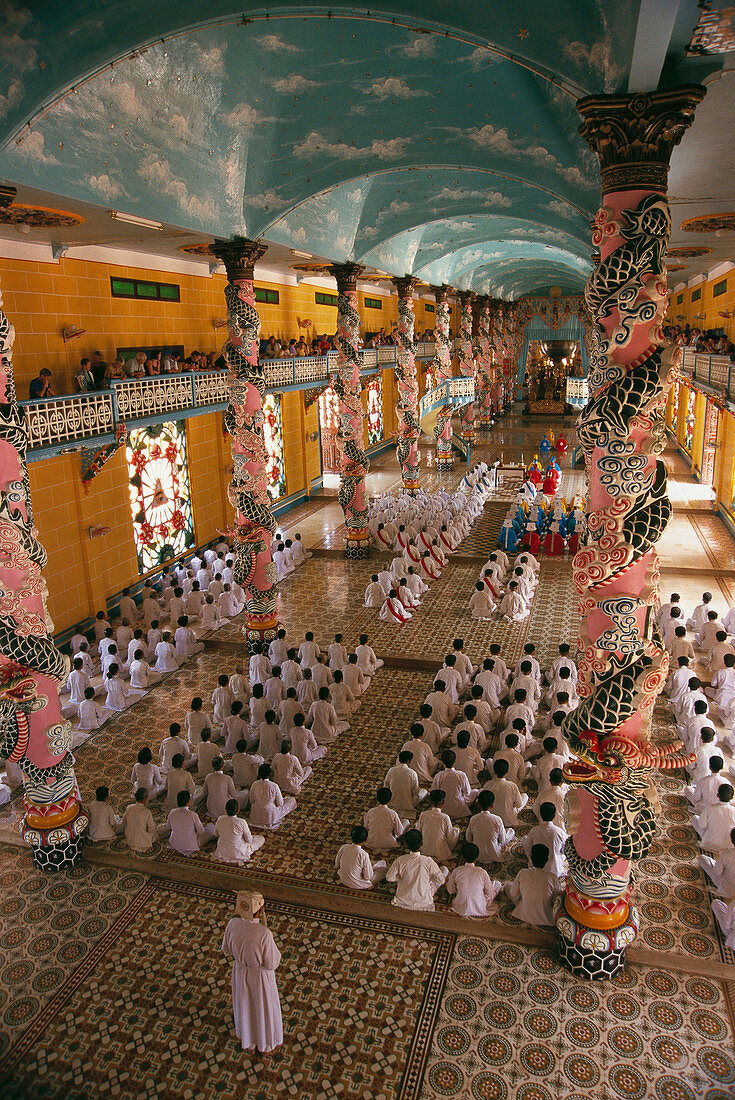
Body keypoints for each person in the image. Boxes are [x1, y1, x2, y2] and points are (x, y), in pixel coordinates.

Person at [222, 891, 283, 1055]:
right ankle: (265, 1044)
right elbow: (272, 962)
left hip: (241, 971)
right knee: (263, 1007)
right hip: (260, 977)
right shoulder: (264, 934)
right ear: (260, 910)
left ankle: (248, 1040)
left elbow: (226, 949)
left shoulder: (232, 925)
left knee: (245, 1004)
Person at [386, 828, 449, 911]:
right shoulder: (428, 861)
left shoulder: (400, 860)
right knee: (444, 869)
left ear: (407, 845)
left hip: (402, 900)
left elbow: (389, 877)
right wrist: (429, 880)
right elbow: (441, 880)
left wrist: (400, 878)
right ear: (422, 844)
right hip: (423, 902)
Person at [505, 843, 560, 925]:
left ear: (531, 858)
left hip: (524, 913)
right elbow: (556, 899)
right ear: (547, 859)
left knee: (507, 886)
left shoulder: (523, 872)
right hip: (546, 916)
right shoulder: (553, 878)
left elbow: (513, 893)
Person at [446, 843, 503, 918]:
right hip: (480, 906)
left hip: (460, 906)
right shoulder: (482, 872)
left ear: (462, 857)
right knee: (497, 884)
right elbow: (490, 894)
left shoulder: (457, 871)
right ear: (477, 857)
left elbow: (450, 890)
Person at [465, 790, 514, 862]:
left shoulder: (473, 819)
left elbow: (469, 839)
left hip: (477, 854)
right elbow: (502, 840)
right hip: (494, 854)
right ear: (492, 805)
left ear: (478, 804)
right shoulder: (497, 819)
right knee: (511, 831)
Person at [249, 763, 297, 829]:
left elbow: (251, 800)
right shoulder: (274, 786)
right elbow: (280, 804)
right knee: (291, 800)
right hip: (270, 816)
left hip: (256, 815)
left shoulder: (254, 784)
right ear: (270, 774)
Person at [167, 790, 216, 854]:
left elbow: (168, 827)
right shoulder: (193, 815)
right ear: (189, 801)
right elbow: (201, 832)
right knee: (211, 828)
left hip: (175, 843)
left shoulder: (172, 812)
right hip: (190, 845)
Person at [121, 788, 160, 852]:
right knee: (157, 832)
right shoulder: (147, 812)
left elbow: (124, 822)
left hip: (129, 837)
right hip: (142, 840)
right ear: (145, 799)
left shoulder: (129, 807)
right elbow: (151, 828)